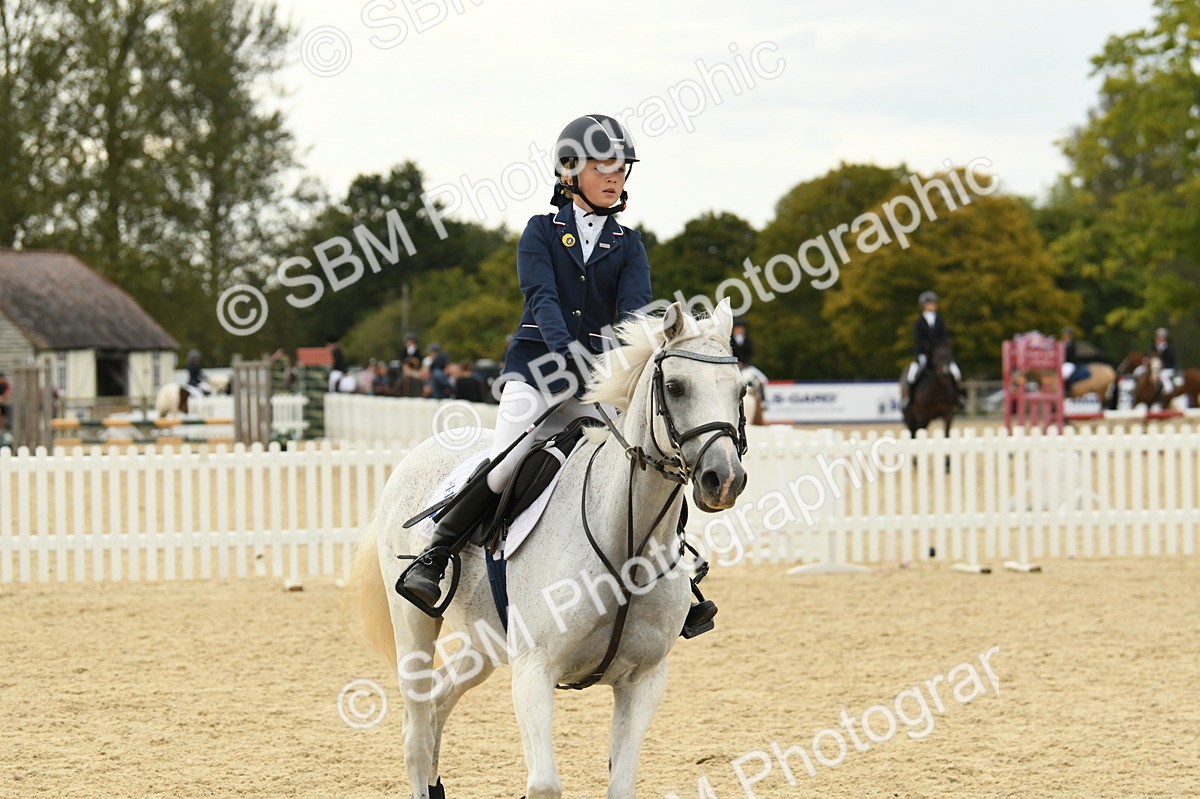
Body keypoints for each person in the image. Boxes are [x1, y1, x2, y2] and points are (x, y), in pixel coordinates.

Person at [400, 114, 717, 636]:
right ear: (570, 170)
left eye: (621, 168)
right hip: (537, 371)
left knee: (647, 458)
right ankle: (435, 557)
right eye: (603, 167)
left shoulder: (629, 244)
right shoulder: (540, 232)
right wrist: (567, 354)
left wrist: (610, 367)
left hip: (598, 381)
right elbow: (542, 300)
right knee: (506, 463)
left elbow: (634, 315)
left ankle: (679, 563)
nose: (616, 177)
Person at [902, 291, 963, 408]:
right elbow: (918, 340)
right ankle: (908, 398)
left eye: (934, 303)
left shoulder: (940, 321)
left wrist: (943, 352)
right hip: (924, 354)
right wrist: (921, 354)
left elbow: (944, 338)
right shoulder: (919, 322)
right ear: (924, 305)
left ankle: (958, 396)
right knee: (911, 374)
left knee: (956, 373)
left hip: (939, 354)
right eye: (930, 303)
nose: (932, 305)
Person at [1151, 327, 1178, 395]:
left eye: (1162, 337)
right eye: (1159, 336)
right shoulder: (1153, 348)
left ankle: (1169, 393)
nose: (1161, 338)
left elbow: (1170, 361)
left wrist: (1163, 367)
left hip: (1167, 369)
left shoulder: (1168, 349)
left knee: (1163, 376)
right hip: (1154, 369)